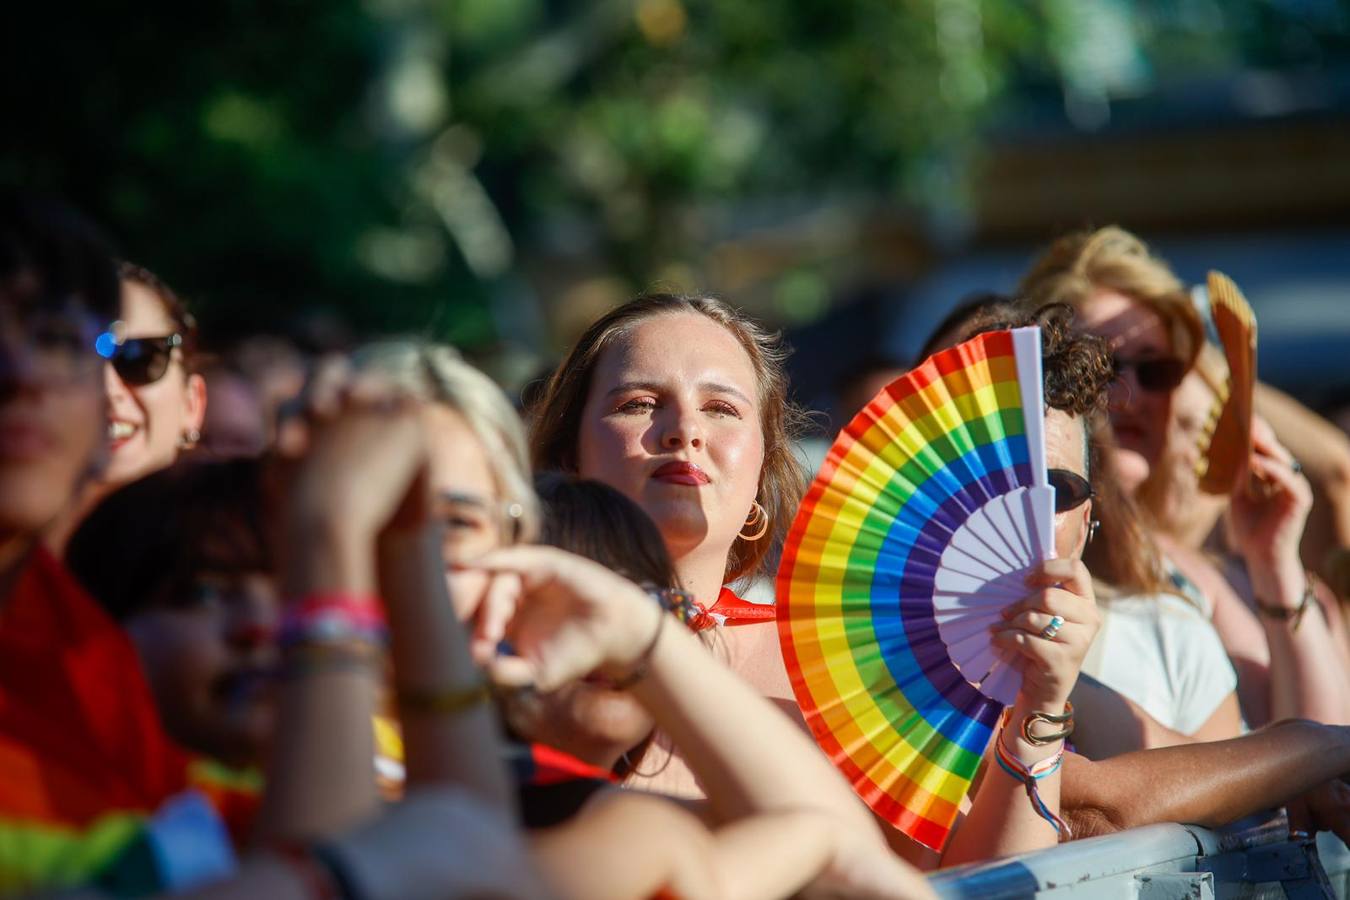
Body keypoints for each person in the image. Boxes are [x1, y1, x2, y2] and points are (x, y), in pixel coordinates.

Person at [0, 192, 542, 898]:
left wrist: (404, 535)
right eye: (202, 592)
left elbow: (470, 843)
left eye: (52, 338)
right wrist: (328, 534)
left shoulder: (69, 646)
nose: (19, 375)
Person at [1021, 225, 1350, 728]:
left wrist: (1274, 560)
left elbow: (1322, 765)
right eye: (1099, 365)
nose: (1131, 390)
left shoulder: (1224, 571)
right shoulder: (1007, 569)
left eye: (1158, 370)